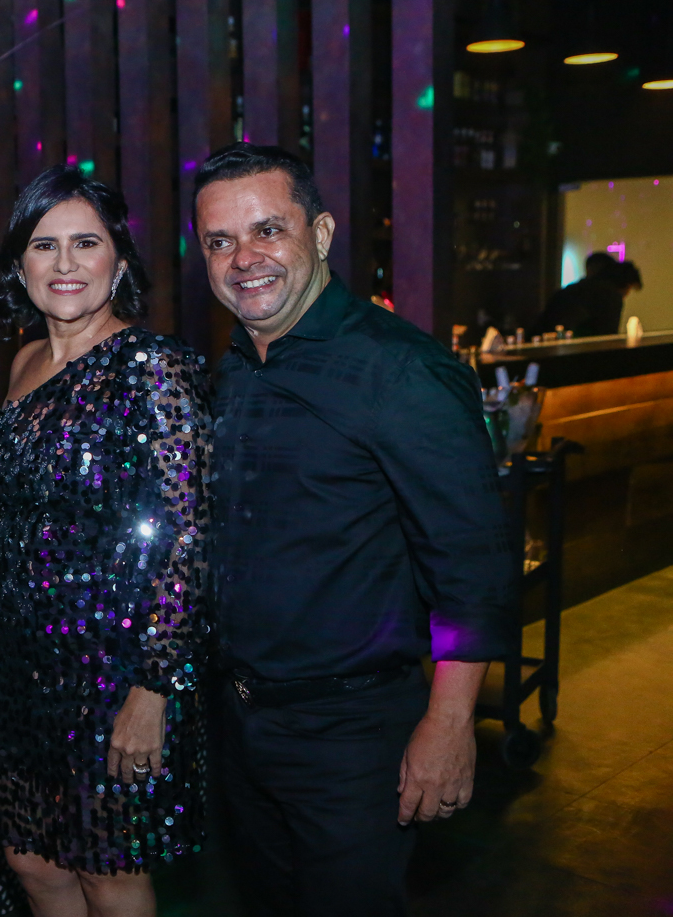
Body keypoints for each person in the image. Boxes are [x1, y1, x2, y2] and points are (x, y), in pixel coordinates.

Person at [194, 143, 515, 917]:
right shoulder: (233, 368)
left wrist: (449, 724)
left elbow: (473, 567)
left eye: (268, 230)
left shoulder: (400, 371)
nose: (244, 258)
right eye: (219, 241)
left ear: (323, 233)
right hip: (241, 722)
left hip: (351, 736)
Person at [0, 166, 211, 917]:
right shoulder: (23, 363)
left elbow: (189, 538)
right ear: (21, 264)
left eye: (86, 243)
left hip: (114, 670)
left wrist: (154, 688)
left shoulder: (156, 368)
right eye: (44, 245)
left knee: (108, 870)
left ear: (118, 261)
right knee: (32, 862)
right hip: (21, 666)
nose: (66, 263)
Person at [530, 251, 643, 337]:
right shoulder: (609, 296)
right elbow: (607, 337)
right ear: (625, 284)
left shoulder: (573, 290)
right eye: (629, 289)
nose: (627, 294)